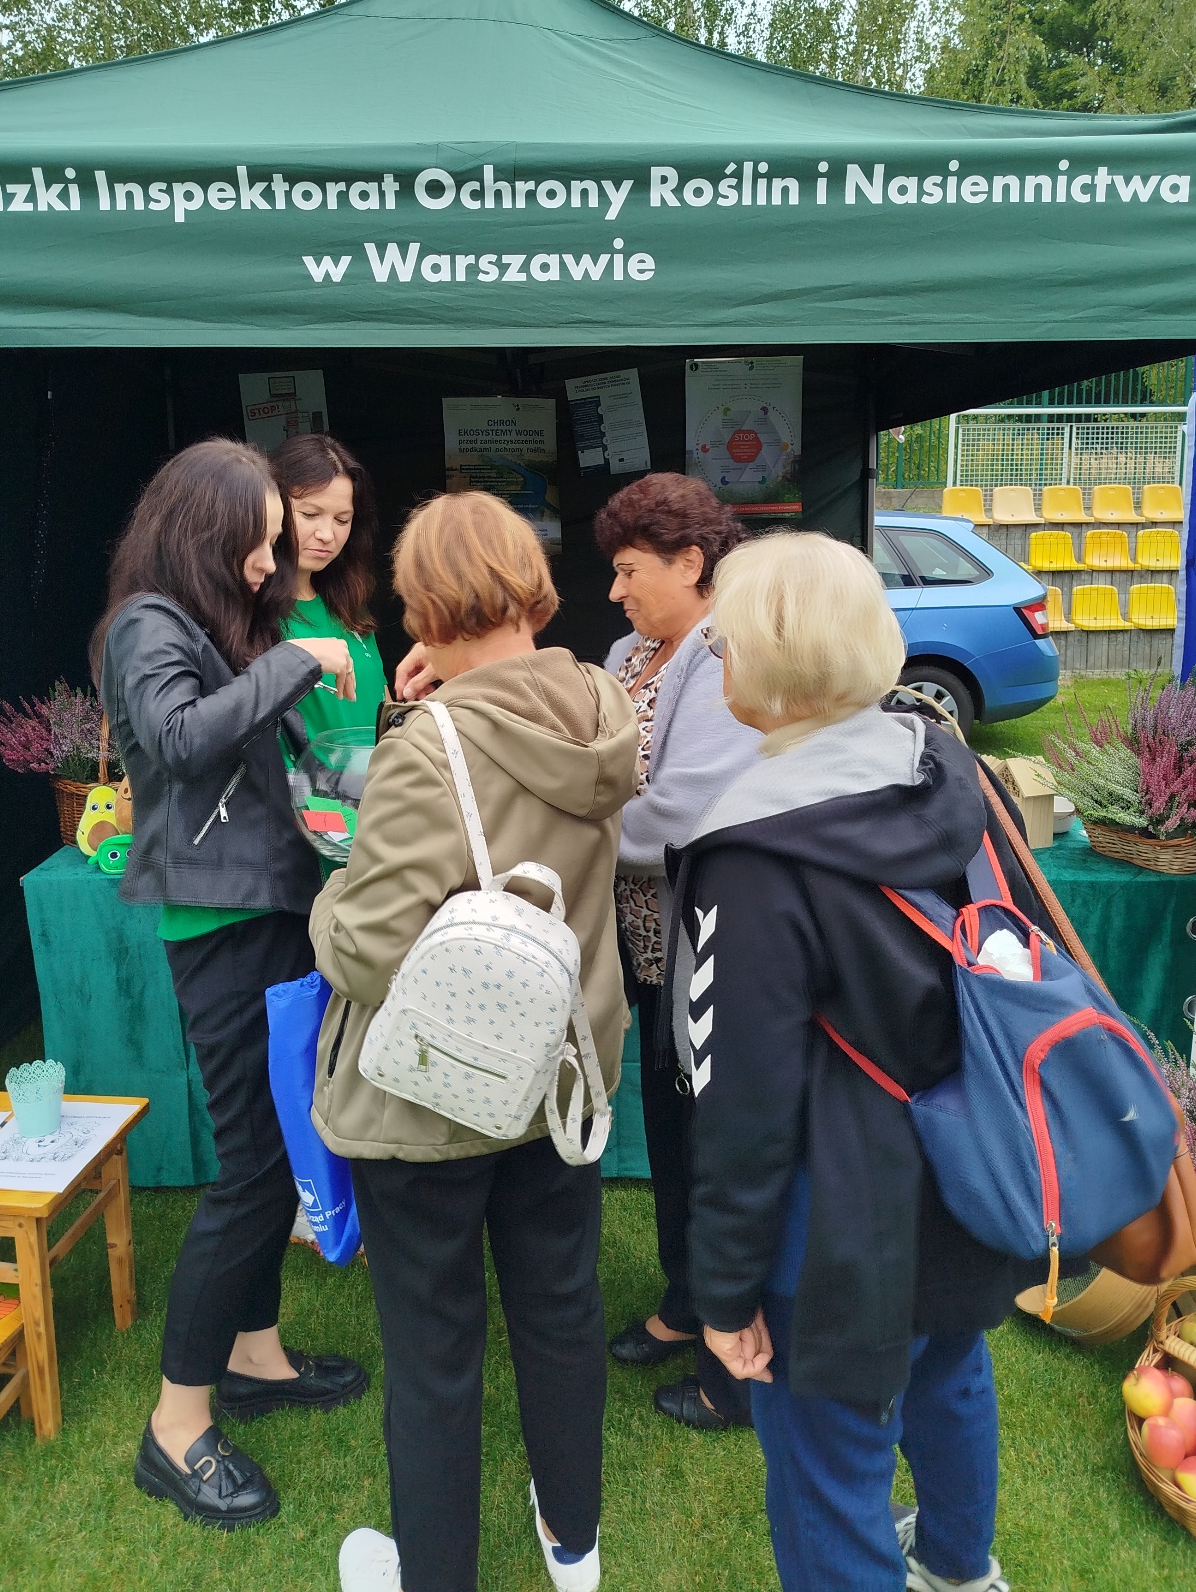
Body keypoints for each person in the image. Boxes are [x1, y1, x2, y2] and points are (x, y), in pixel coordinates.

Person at [673, 531, 1031, 1592]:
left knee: (828, 1469)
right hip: (972, 1162)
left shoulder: (752, 853)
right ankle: (961, 1567)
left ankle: (941, 1563)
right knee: (950, 1371)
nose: (717, 661)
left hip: (833, 1219)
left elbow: (740, 1105)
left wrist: (722, 1291)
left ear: (769, 664)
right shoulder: (950, 768)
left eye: (723, 643)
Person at [309, 491, 639, 1592]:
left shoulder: (430, 749)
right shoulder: (598, 703)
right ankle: (573, 1544)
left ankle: (435, 1572)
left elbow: (363, 949)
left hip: (435, 1093)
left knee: (435, 1349)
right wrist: (431, 703)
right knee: (559, 1312)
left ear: (427, 604)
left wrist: (326, 900)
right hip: (561, 1072)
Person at [95, 438, 369, 1532]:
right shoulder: (146, 625)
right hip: (222, 930)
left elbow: (291, 757)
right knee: (253, 1172)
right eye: (260, 540)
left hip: (272, 913)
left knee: (274, 1155)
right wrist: (295, 659)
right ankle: (175, 1427)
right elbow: (176, 740)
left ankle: (255, 1354)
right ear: (207, 530)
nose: (272, 560)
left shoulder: (215, 628)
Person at [592, 473, 760, 1431]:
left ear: (691, 562)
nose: (614, 591)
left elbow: (680, 812)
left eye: (629, 570)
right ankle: (687, 1298)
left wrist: (568, 827)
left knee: (712, 1141)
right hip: (639, 942)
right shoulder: (628, 651)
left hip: (704, 941)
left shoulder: (722, 650)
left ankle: (730, 1349)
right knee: (667, 1122)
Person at [270, 432, 387, 743]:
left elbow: (384, 703)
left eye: (342, 520)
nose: (327, 534)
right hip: (308, 776)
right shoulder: (249, 613)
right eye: (310, 514)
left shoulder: (348, 606)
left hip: (381, 772)